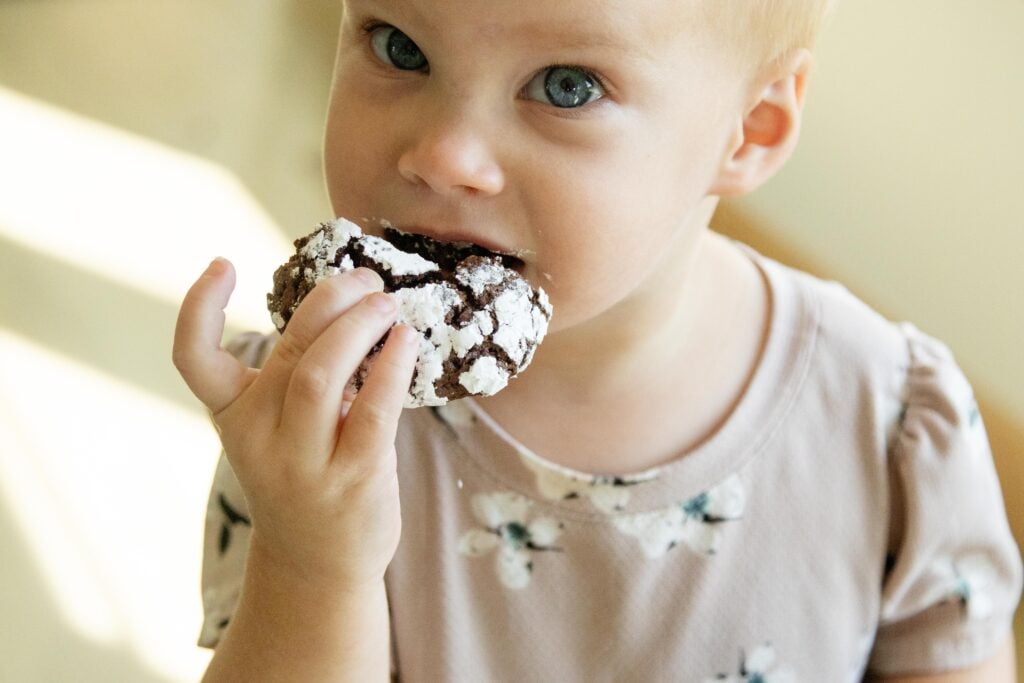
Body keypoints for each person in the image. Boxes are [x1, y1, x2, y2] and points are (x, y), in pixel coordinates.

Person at [173, 0, 1023, 680]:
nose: (445, 154)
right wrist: (314, 560)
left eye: (567, 86)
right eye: (399, 46)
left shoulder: (893, 430)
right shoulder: (318, 419)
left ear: (750, 129)